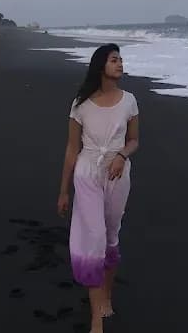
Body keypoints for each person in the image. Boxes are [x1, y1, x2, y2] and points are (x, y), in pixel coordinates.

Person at [58, 44, 139, 332]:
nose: (120, 64)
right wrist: (64, 191)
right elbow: (71, 149)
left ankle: (106, 296)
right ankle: (95, 318)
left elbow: (133, 141)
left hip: (117, 174)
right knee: (94, 239)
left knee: (111, 237)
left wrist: (121, 155)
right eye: (114, 60)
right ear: (100, 66)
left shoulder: (129, 100)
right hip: (87, 172)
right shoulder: (80, 104)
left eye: (121, 59)